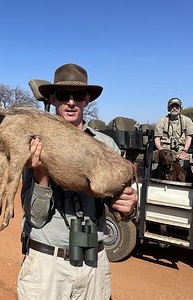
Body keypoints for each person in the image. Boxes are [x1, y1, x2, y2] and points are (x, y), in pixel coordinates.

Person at [17, 63, 138, 300]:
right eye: (63, 95)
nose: (71, 102)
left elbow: (122, 210)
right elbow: (35, 218)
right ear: (52, 99)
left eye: (78, 95)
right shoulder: (34, 146)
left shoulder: (107, 146)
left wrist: (127, 206)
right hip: (48, 267)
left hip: (94, 264)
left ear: (87, 100)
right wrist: (42, 174)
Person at [154, 98, 193, 167]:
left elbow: (189, 137)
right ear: (169, 108)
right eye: (172, 106)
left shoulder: (187, 121)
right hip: (165, 149)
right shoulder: (162, 120)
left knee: (185, 164)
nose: (174, 108)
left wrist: (184, 151)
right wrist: (161, 151)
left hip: (181, 149)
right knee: (158, 163)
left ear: (180, 108)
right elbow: (157, 138)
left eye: (177, 106)